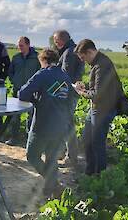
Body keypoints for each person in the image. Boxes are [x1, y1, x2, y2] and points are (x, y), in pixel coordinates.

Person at [18, 48, 74, 197]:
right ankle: (51, 190)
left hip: (43, 124)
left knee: (32, 156)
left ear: (43, 60)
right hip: (61, 125)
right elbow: (69, 101)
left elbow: (23, 94)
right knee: (51, 158)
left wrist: (35, 100)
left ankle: (53, 184)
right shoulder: (65, 77)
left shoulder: (43, 74)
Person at [73, 39, 123, 175]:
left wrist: (82, 92)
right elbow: (98, 86)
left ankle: (100, 175)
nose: (83, 61)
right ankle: (90, 171)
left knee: (97, 143)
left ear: (89, 52)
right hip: (96, 108)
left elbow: (98, 94)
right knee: (87, 140)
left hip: (103, 109)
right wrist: (85, 86)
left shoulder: (102, 65)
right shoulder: (98, 63)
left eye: (83, 57)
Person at [53, 30, 85, 167]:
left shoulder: (68, 53)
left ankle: (71, 157)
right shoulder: (74, 50)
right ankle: (62, 152)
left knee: (67, 125)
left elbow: (65, 76)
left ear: (61, 40)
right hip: (72, 93)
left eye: (56, 40)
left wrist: (55, 92)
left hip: (67, 94)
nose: (55, 43)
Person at [6, 36, 40, 145]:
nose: (19, 47)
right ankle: (14, 138)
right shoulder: (16, 58)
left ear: (28, 45)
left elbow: (41, 72)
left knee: (31, 116)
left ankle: (28, 139)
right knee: (15, 115)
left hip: (32, 91)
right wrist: (14, 81)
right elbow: (10, 72)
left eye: (21, 45)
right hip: (18, 90)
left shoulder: (37, 58)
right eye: (18, 45)